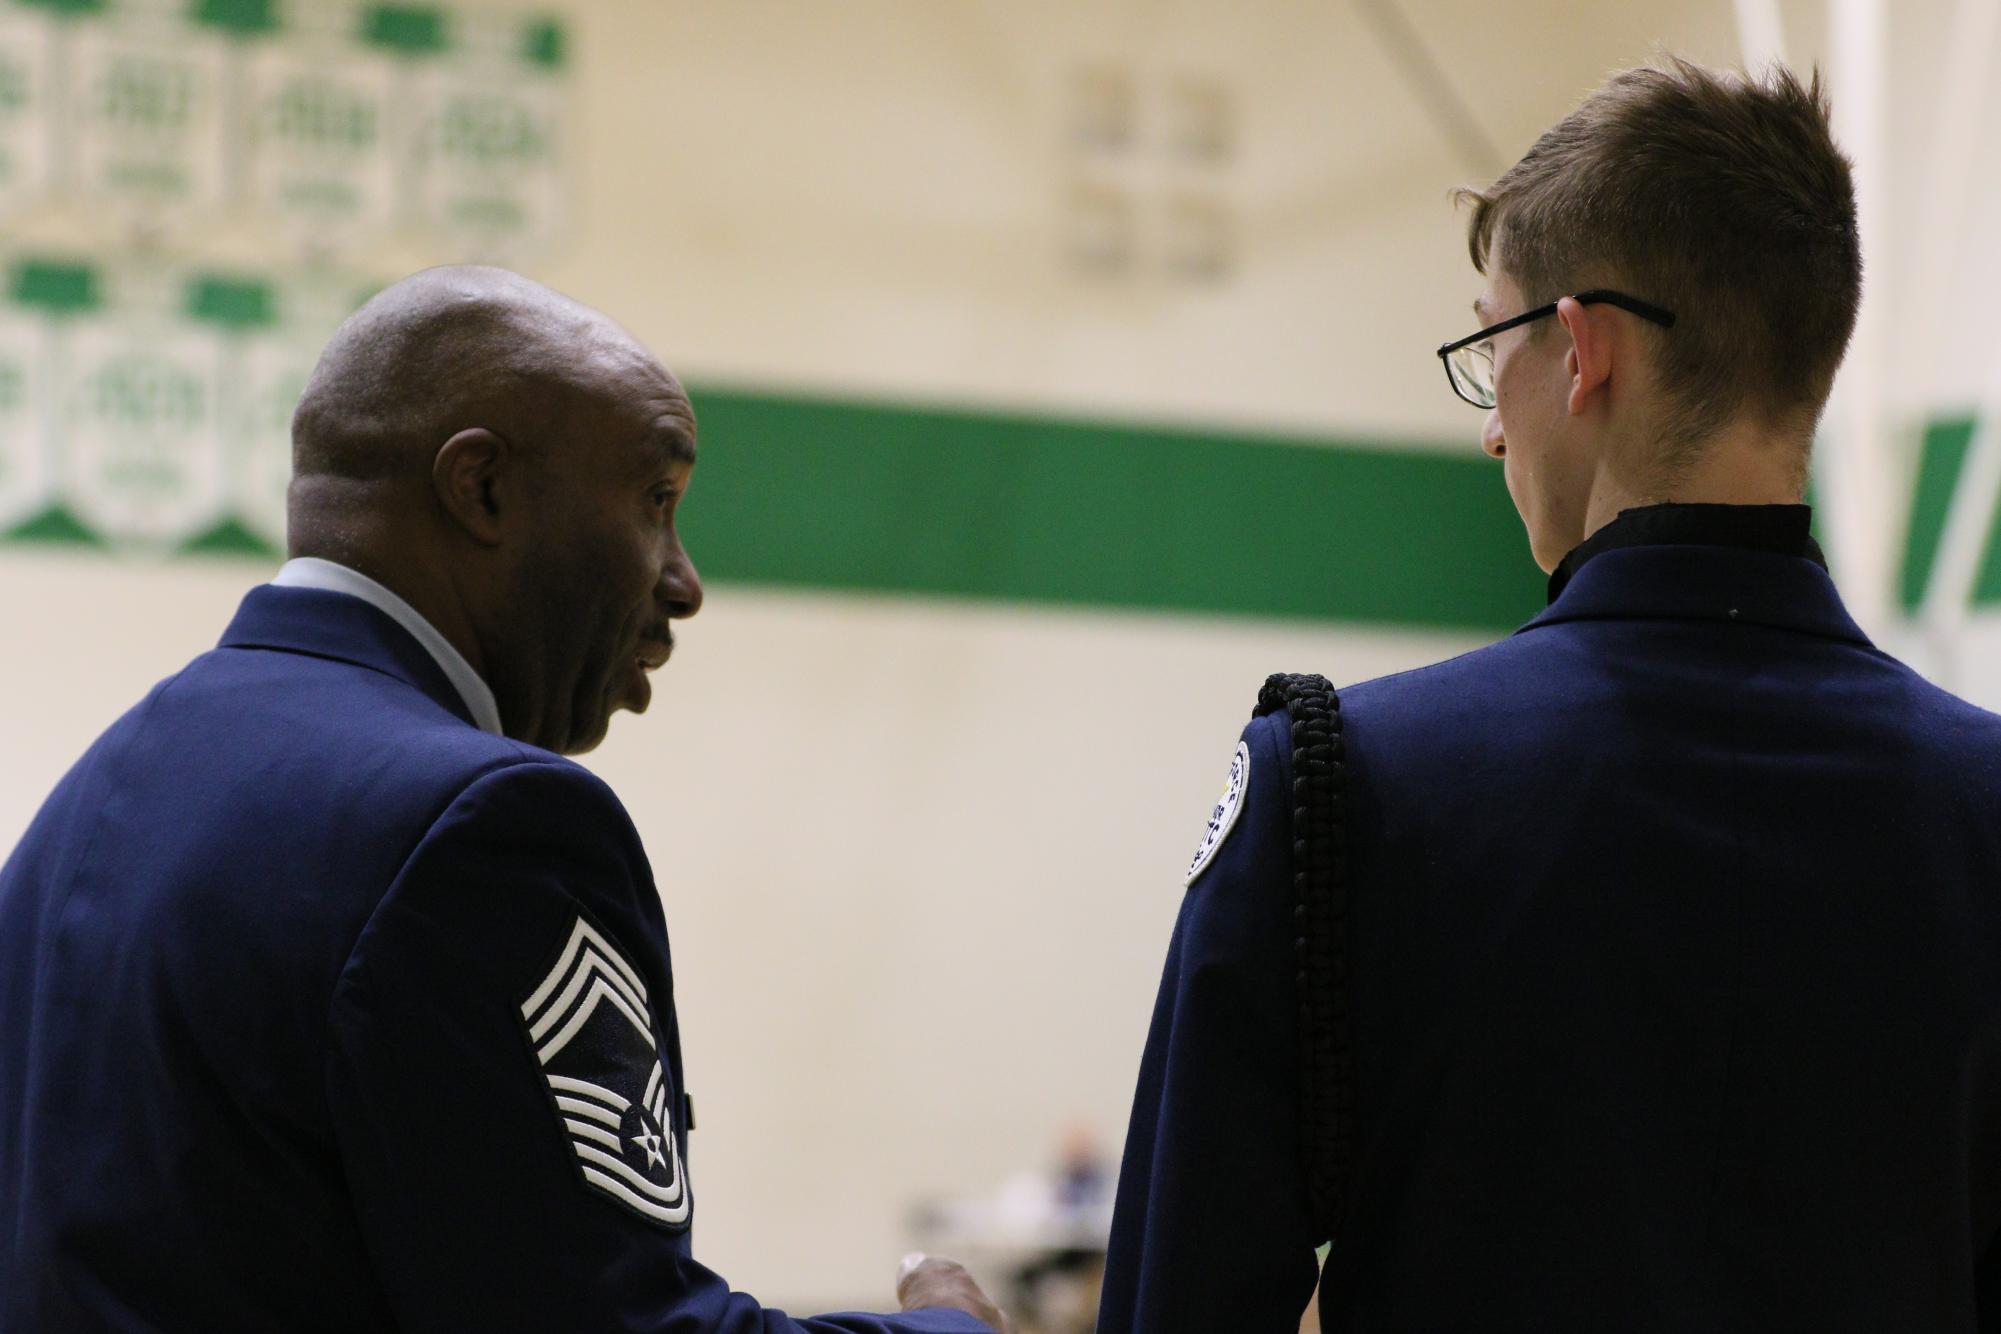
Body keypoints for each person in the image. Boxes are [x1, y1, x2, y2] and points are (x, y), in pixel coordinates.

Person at [1099, 57, 2001, 1333]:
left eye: (1491, 345)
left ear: (1581, 351)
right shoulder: (1983, 812)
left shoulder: (1346, 786)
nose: (1489, 426)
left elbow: (1181, 1304)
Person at [0, 266, 1006, 1333]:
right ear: (479, 487)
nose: (684, 580)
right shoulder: (479, 826)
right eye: (656, 503)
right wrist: (946, 1329)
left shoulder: (92, 799)